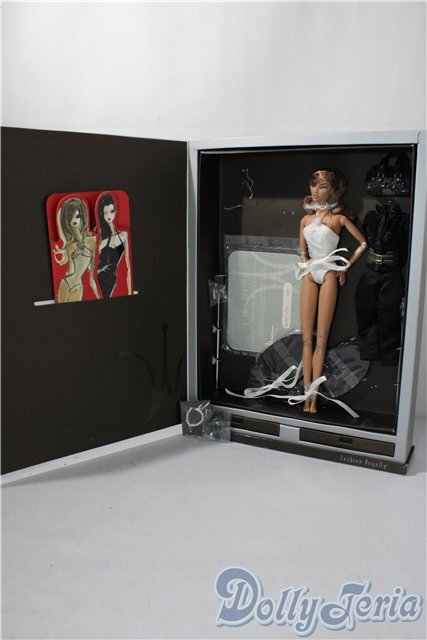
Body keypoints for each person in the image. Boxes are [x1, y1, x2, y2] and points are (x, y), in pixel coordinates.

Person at [296, 169, 367, 413]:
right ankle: (306, 394)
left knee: (321, 340)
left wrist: (344, 267)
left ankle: (314, 398)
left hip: (328, 272)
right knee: (306, 339)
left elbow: (363, 243)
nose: (316, 191)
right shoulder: (305, 221)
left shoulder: (339, 219)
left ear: (334, 190)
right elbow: (302, 250)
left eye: (323, 186)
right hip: (309, 273)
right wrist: (304, 262)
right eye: (313, 184)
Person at [53, 197, 100, 303]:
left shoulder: (92, 240)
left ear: (83, 217)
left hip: (79, 286)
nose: (74, 220)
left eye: (77, 216)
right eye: (70, 218)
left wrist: (98, 296)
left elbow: (92, 278)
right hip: (66, 282)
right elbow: (71, 271)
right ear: (67, 222)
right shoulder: (70, 246)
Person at [96, 193, 132, 298]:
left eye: (111, 211)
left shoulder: (122, 235)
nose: (109, 216)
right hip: (100, 277)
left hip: (112, 278)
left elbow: (128, 265)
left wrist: (130, 291)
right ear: (101, 214)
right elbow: (93, 255)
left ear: (116, 211)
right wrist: (107, 241)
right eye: (105, 212)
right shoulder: (98, 232)